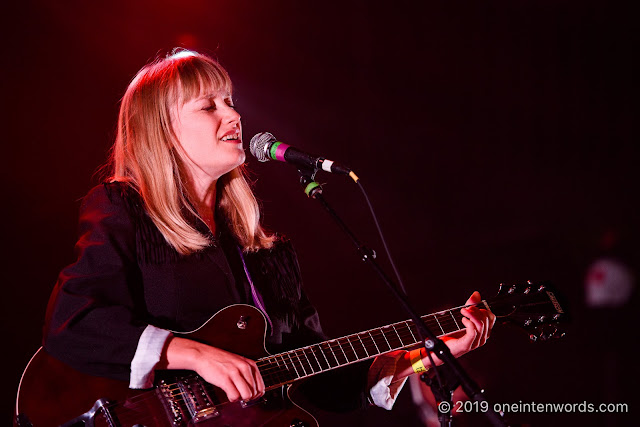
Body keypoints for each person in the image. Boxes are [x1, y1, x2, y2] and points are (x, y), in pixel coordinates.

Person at [43, 48, 495, 420]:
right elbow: (73, 323)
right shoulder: (123, 208)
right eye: (208, 105)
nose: (233, 114)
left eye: (229, 100)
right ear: (161, 130)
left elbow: (318, 375)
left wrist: (417, 357)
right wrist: (195, 355)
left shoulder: (267, 251)